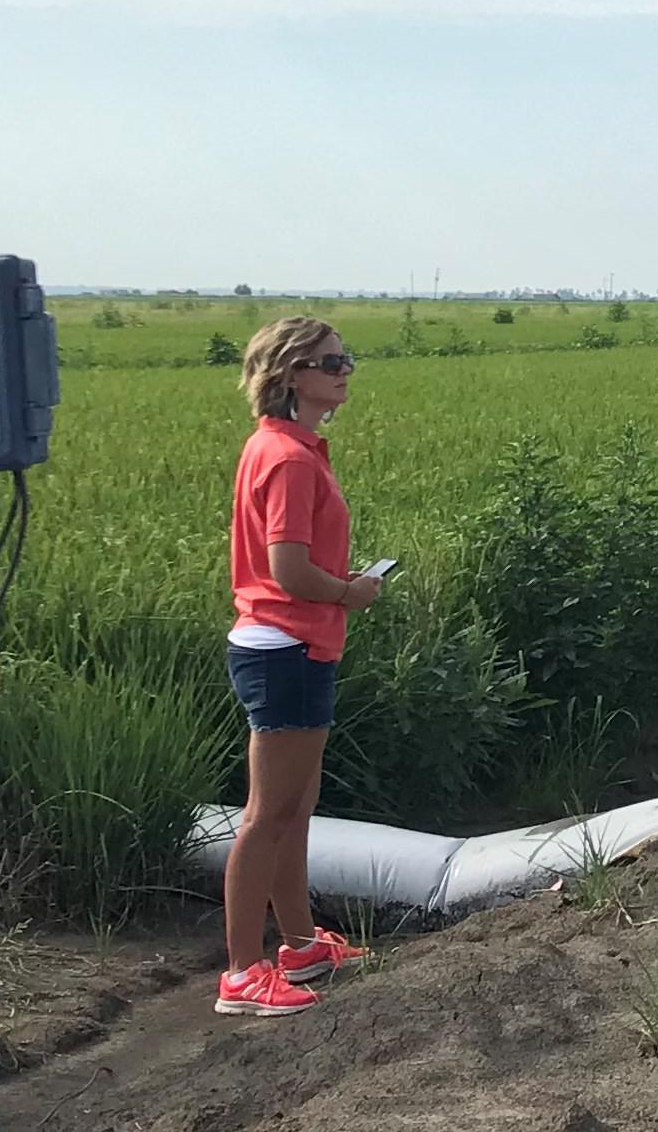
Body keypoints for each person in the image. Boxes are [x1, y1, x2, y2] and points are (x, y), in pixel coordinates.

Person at [217, 316, 380, 1017]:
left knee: (294, 807)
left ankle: (300, 945)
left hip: (294, 645)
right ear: (289, 376)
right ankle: (241, 973)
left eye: (346, 359)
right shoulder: (287, 457)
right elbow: (287, 569)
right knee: (267, 814)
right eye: (328, 361)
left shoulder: (289, 447)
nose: (344, 369)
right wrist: (352, 592)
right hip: (288, 646)